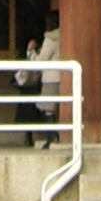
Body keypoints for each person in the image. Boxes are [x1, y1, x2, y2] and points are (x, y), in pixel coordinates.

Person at [22, 9, 63, 147]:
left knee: (46, 108)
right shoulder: (64, 36)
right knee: (51, 107)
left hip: (50, 77)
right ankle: (53, 136)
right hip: (61, 76)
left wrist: (30, 52)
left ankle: (53, 137)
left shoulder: (50, 39)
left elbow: (41, 61)